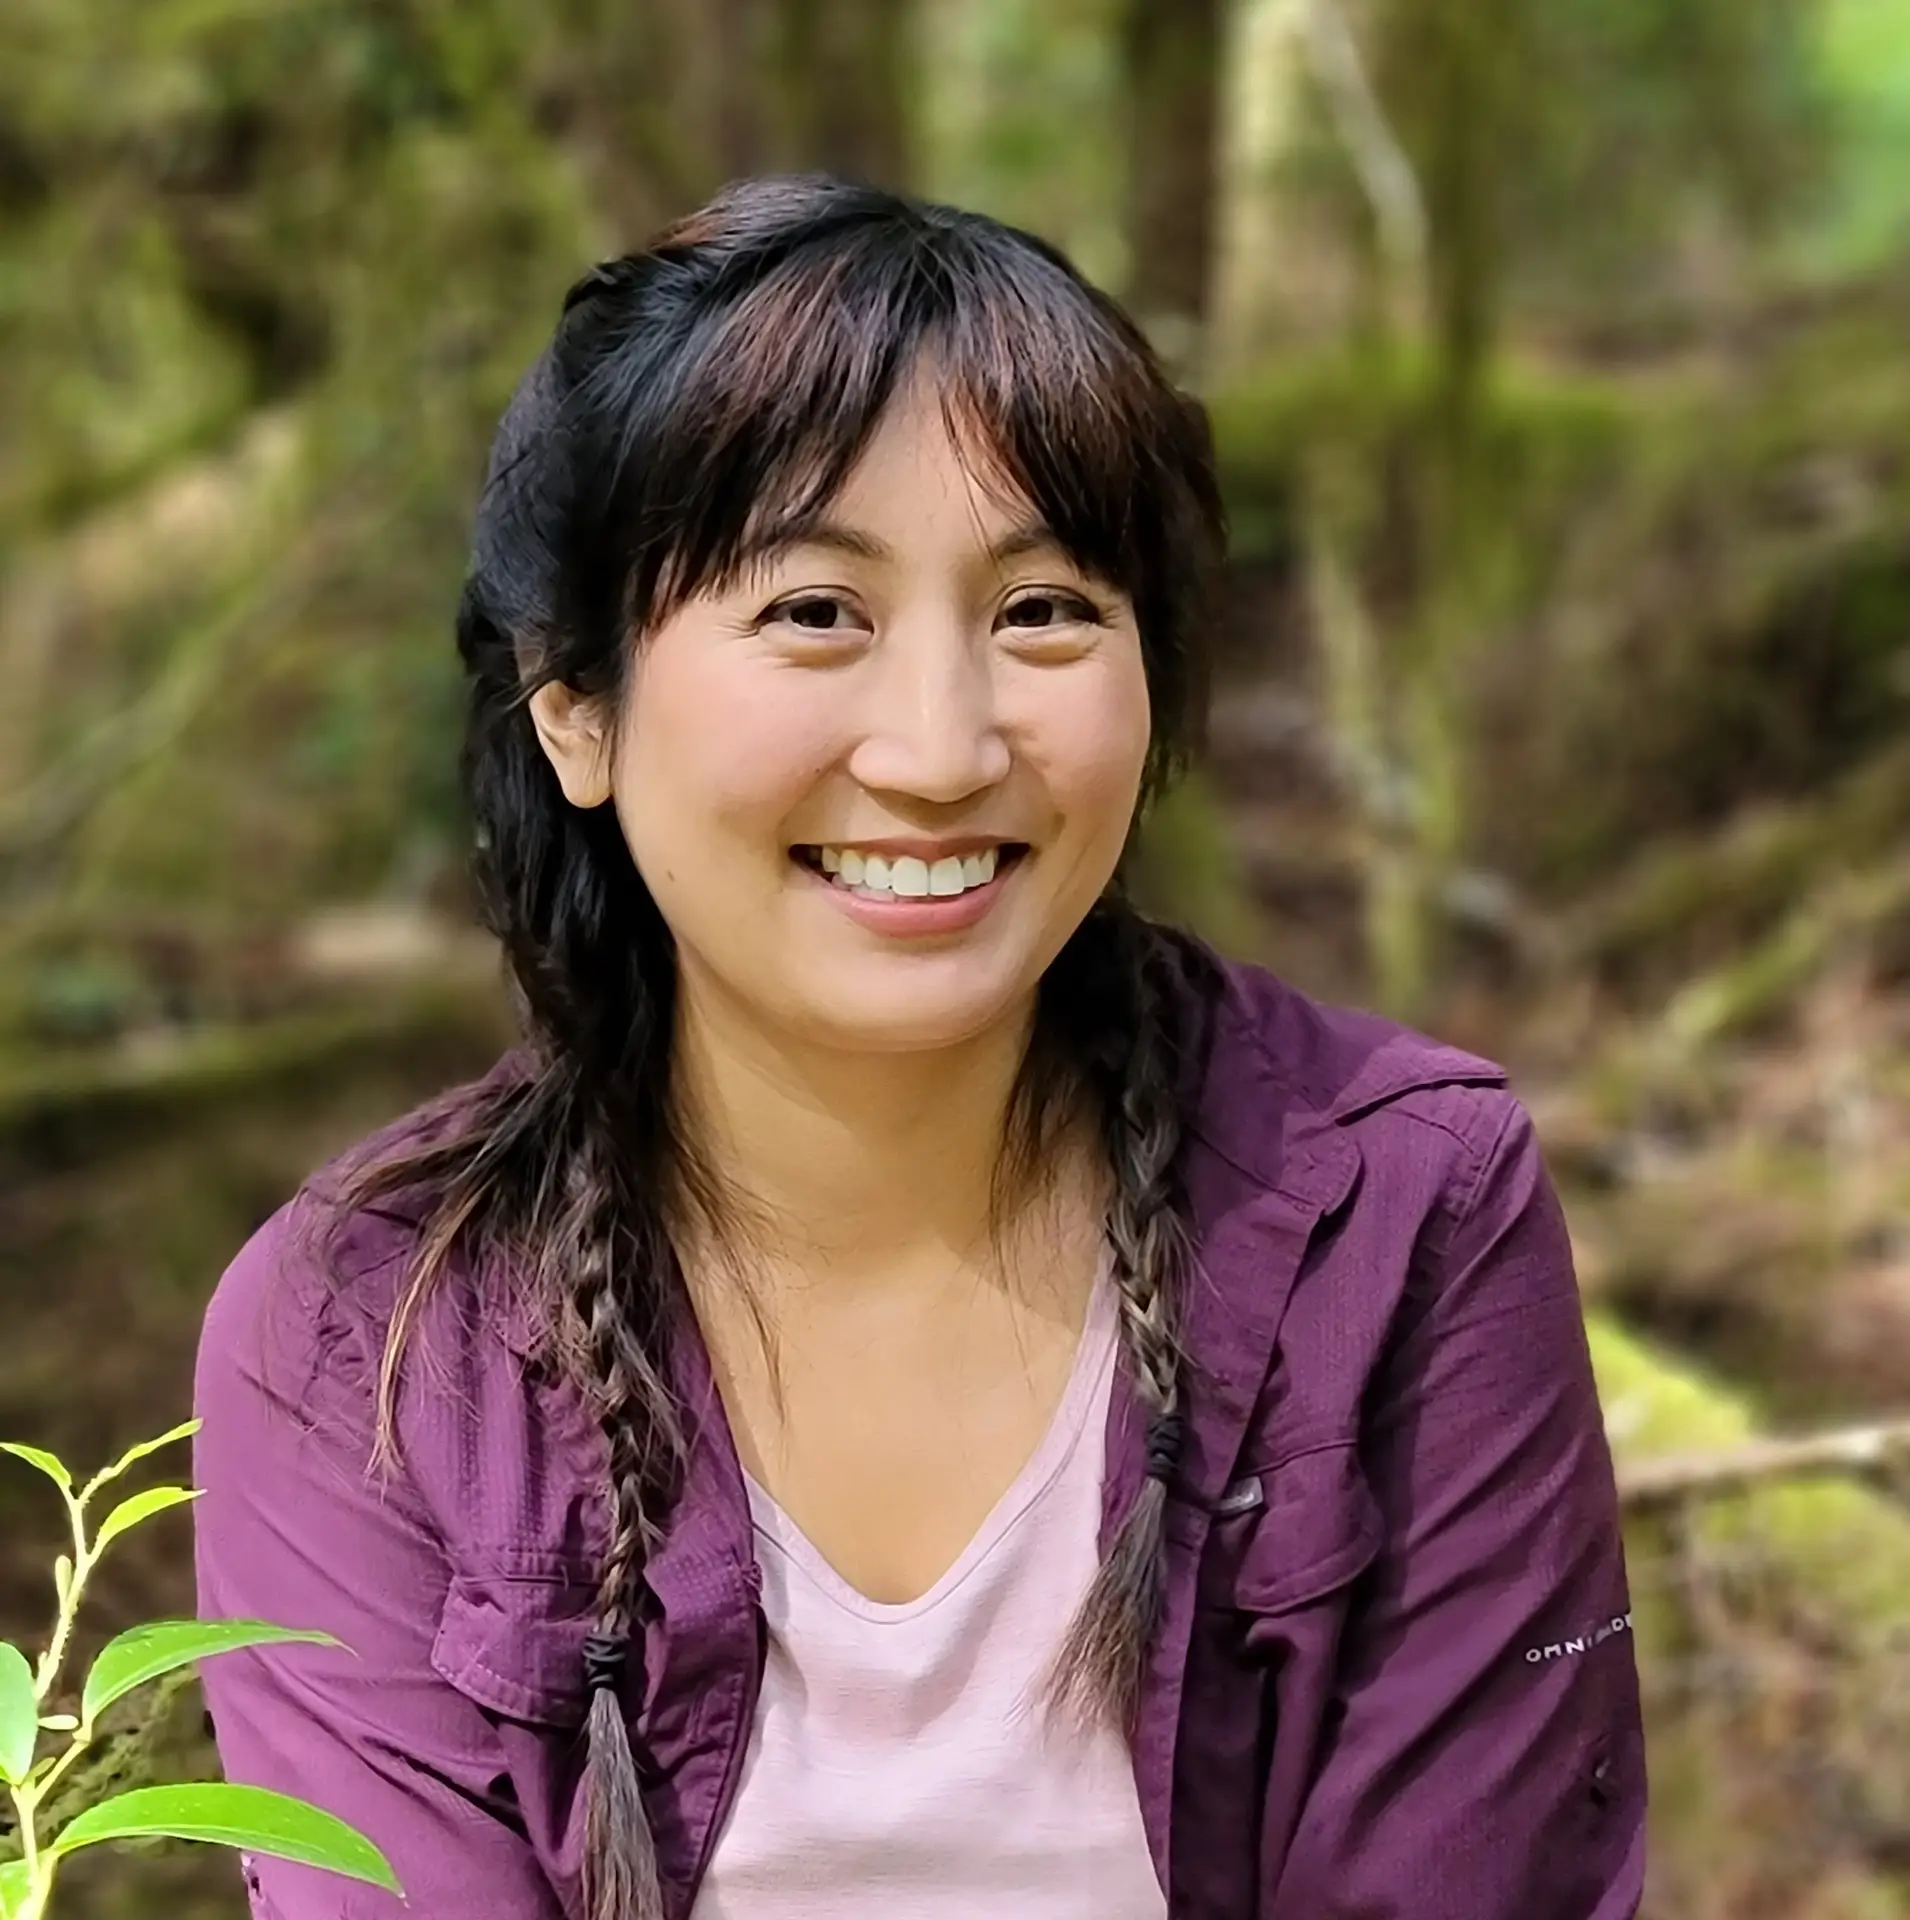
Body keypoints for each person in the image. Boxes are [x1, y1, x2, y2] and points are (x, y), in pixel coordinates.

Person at [192, 173, 1646, 1920]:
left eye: (1043, 610)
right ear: (573, 704)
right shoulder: (363, 1335)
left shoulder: (1404, 1213)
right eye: (816, 610)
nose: (944, 748)